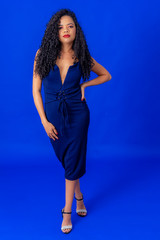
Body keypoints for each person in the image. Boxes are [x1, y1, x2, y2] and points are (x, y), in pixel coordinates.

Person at [32, 8, 112, 234]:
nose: (65, 30)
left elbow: (106, 74)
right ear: (54, 32)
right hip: (53, 119)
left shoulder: (82, 56)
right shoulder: (42, 55)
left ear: (76, 30)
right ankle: (79, 198)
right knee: (67, 160)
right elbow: (36, 90)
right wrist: (44, 122)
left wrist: (85, 85)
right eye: (60, 27)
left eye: (70, 26)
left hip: (78, 116)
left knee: (73, 159)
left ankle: (66, 211)